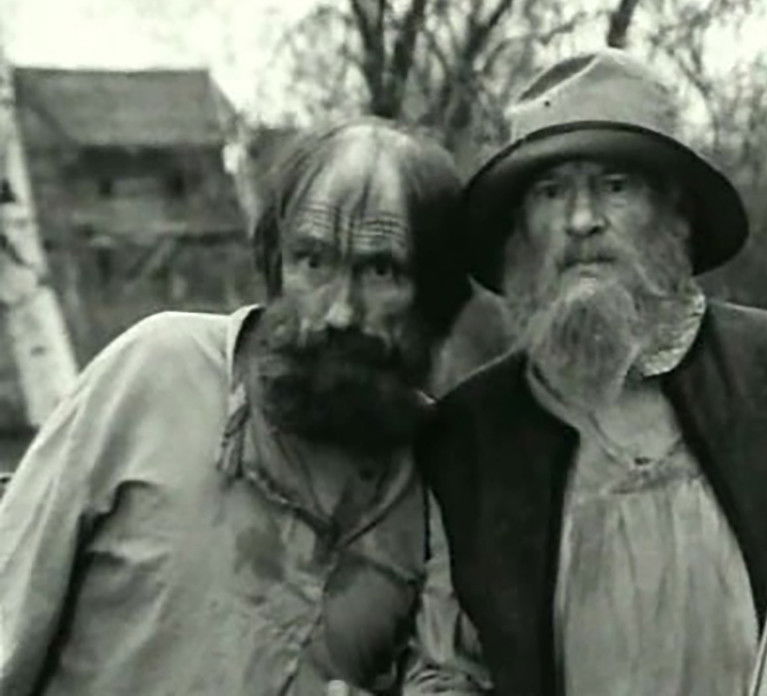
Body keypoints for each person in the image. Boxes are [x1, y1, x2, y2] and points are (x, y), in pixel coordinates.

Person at [405, 49, 767, 696]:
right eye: (551, 192)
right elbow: (442, 669)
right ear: (520, 229)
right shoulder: (470, 436)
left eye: (615, 186)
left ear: (676, 212)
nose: (581, 220)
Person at [0, 118, 472, 695]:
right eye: (313, 261)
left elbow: (447, 676)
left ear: (435, 296)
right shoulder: (153, 372)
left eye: (380, 270)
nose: (339, 313)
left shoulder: (441, 478)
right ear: (276, 264)